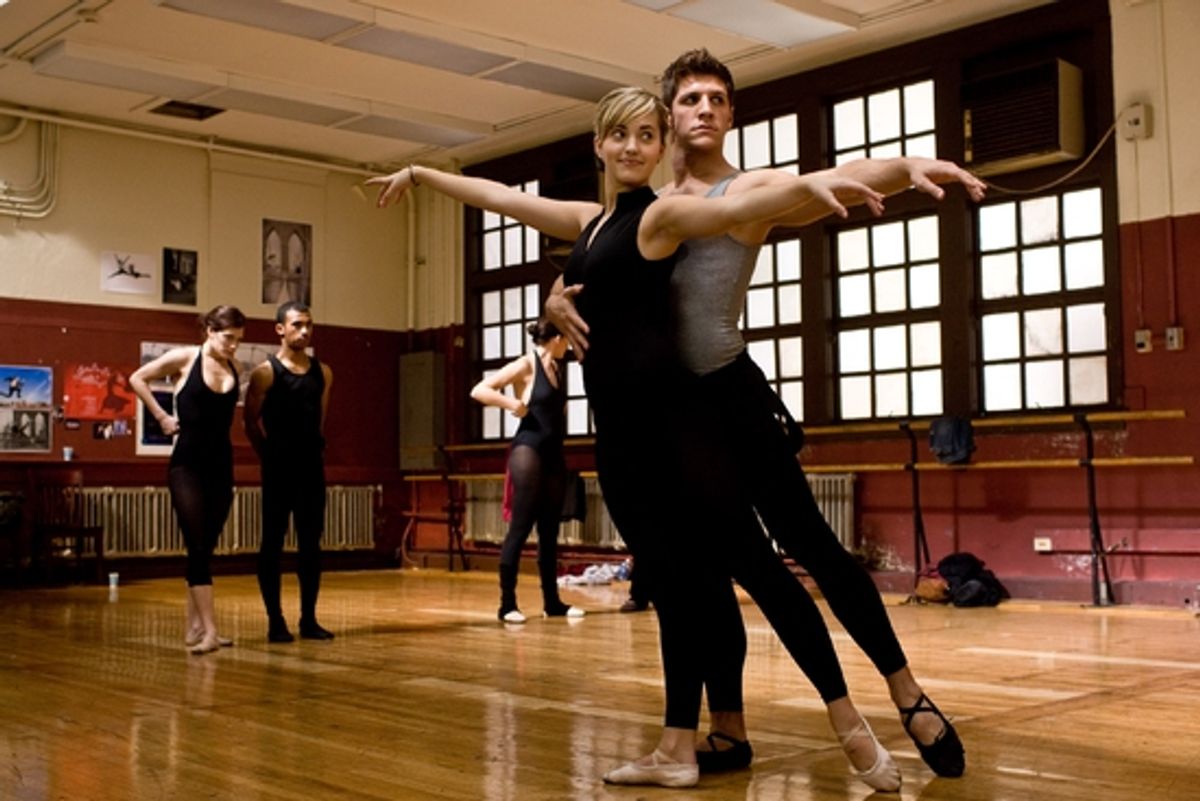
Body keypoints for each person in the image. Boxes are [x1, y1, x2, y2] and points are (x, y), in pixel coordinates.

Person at [370, 86, 893, 790]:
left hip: (675, 432)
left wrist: (849, 183)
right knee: (677, 589)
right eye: (621, 135)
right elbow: (498, 198)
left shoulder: (661, 216)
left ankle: (849, 724)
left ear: (659, 146)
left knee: (758, 569)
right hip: (620, 442)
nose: (633, 147)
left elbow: (744, 203)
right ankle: (678, 746)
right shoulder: (588, 224)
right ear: (599, 142)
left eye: (647, 136)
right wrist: (422, 174)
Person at [547, 48, 986, 782]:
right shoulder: (639, 203)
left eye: (718, 98)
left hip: (731, 394)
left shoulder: (739, 189)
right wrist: (551, 299)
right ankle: (724, 730)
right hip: (674, 413)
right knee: (718, 570)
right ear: (664, 118)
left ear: (730, 114)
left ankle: (905, 691)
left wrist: (906, 166)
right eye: (690, 98)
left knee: (811, 546)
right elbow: (587, 258)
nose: (705, 109)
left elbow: (816, 185)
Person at [130, 305, 245, 655]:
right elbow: (137, 378)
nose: (234, 346)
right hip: (187, 465)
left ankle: (193, 626)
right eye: (228, 338)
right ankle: (210, 631)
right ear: (210, 330)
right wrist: (162, 416)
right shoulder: (185, 358)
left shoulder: (234, 368)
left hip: (221, 464)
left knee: (206, 547)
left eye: (239, 340)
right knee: (196, 544)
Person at [469, 319, 583, 623]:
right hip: (528, 450)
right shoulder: (525, 364)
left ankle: (552, 602)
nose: (569, 346)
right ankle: (507, 604)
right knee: (520, 527)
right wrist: (511, 403)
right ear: (557, 338)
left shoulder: (558, 368)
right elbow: (479, 390)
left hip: (553, 452)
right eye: (567, 340)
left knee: (550, 531)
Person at [243, 301, 335, 643]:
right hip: (278, 467)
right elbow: (250, 422)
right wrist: (267, 454)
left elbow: (320, 418)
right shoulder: (265, 373)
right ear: (280, 329)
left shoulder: (323, 372)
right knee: (272, 543)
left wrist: (313, 449)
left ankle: (309, 619)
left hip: (311, 467)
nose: (305, 331)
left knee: (311, 545)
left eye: (308, 325)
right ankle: (275, 621)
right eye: (297, 325)